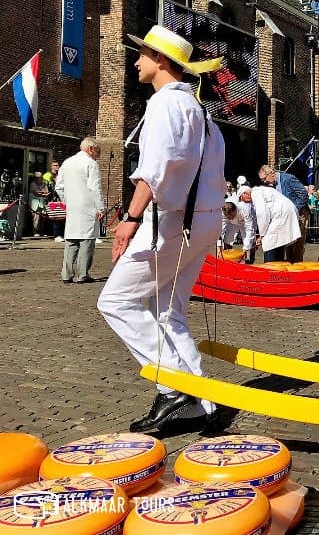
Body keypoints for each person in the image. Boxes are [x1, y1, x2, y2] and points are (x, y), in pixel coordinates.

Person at [97, 25, 226, 435]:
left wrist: (129, 220)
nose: (136, 61)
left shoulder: (165, 105)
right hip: (203, 219)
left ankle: (174, 388)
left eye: (144, 55)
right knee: (170, 312)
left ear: (162, 61)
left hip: (175, 221)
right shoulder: (200, 110)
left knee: (117, 301)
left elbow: (154, 170)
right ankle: (201, 401)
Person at [55, 138, 105, 283]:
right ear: (91, 149)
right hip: (88, 205)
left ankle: (66, 274)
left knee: (71, 239)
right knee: (87, 240)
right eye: (98, 151)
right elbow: (94, 188)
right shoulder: (91, 164)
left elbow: (59, 186)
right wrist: (100, 207)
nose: (98, 155)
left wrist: (67, 201)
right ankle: (82, 274)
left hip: (72, 206)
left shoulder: (67, 162)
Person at [257, 165, 310, 262]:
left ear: (272, 174)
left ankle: (297, 267)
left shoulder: (288, 178)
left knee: (296, 244)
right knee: (286, 242)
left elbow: (303, 194)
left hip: (299, 213)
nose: (264, 182)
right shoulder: (271, 186)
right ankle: (289, 265)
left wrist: (293, 209)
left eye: (264, 179)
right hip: (284, 217)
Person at [249, 185, 301, 262]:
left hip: (282, 214)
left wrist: (262, 234)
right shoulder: (266, 190)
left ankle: (270, 269)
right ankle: (279, 267)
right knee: (280, 242)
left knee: (269, 242)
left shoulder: (255, 193)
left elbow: (262, 213)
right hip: (288, 211)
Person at [221, 189, 257, 264]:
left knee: (251, 241)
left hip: (246, 222)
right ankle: (228, 260)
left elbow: (249, 230)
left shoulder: (245, 209)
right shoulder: (223, 211)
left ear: (235, 210)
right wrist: (219, 245)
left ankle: (249, 261)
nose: (230, 218)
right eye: (228, 217)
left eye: (232, 216)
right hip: (232, 224)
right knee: (227, 238)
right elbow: (221, 228)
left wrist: (246, 248)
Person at [28, 171, 50, 236]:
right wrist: (42, 193)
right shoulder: (32, 184)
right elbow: (35, 192)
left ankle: (41, 231)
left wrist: (41, 193)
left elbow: (46, 192)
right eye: (37, 177)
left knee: (43, 217)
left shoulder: (44, 184)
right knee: (36, 217)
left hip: (43, 202)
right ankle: (35, 231)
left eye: (40, 177)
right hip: (35, 203)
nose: (38, 179)